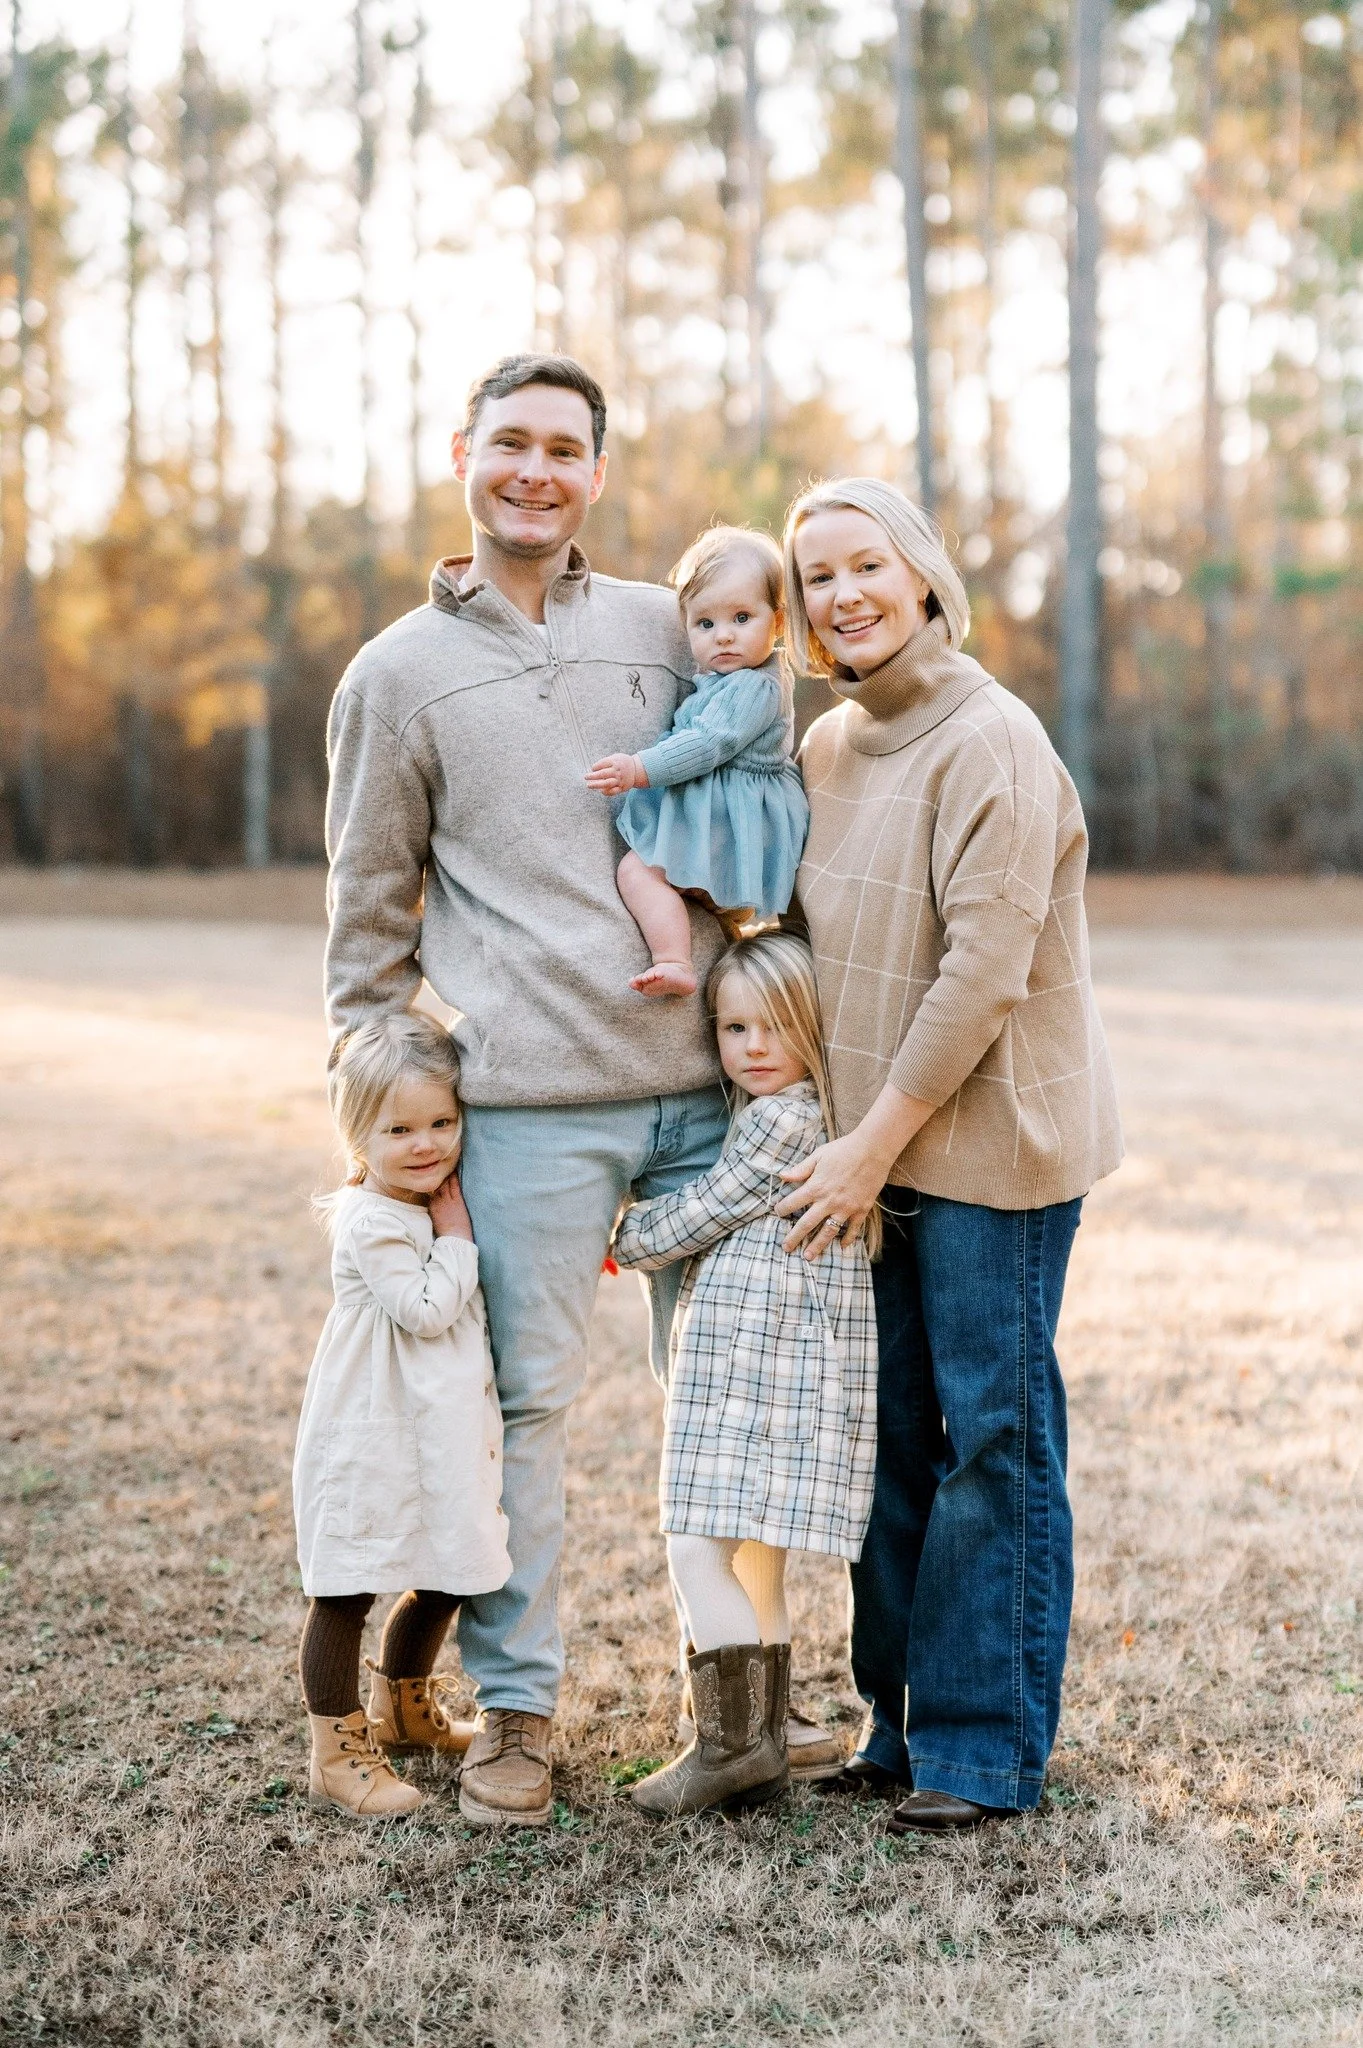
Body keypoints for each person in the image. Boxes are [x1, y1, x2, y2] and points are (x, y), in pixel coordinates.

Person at [324, 352, 738, 1828]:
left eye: (565, 448)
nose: (535, 471)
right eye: (511, 443)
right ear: (461, 456)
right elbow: (365, 932)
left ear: (597, 476)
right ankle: (516, 1711)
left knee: (735, 1407)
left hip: (711, 1095)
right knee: (519, 1416)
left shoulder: (663, 628)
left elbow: (752, 796)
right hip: (523, 1107)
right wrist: (394, 1142)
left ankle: (742, 1703)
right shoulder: (393, 676)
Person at [775, 476, 1123, 1832]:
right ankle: (897, 1722)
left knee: (991, 1436)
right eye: (817, 577)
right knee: (886, 1442)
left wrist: (867, 1143)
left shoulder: (993, 742)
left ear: (922, 578)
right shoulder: (826, 748)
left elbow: (979, 975)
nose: (843, 594)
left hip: (990, 1149)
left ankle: (980, 1750)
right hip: (869, 1144)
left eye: (867, 564)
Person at [610, 931, 878, 1817]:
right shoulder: (810, 1116)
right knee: (736, 1544)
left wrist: (622, 1233)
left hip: (756, 1378)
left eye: (775, 1028)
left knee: (696, 1547)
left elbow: (697, 1215)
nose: (753, 1048)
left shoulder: (781, 1122)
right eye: (732, 1029)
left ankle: (731, 1749)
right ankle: (760, 1743)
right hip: (767, 1369)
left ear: (814, 1031)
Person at [293, 1011, 511, 1821]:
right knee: (347, 1585)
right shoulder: (374, 1218)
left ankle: (406, 1712)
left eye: (443, 1122)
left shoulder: (415, 1199)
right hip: (373, 1427)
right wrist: (456, 1238)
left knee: (447, 1568)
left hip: (435, 1426)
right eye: (400, 1130)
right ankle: (337, 1753)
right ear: (357, 1136)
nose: (427, 1145)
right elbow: (423, 1310)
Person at [585, 526, 809, 995]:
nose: (723, 636)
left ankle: (674, 960)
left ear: (779, 621)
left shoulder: (756, 687)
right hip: (718, 816)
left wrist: (638, 768)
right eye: (705, 624)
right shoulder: (724, 680)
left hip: (729, 824)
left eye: (742, 617)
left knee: (636, 871)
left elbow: (708, 745)